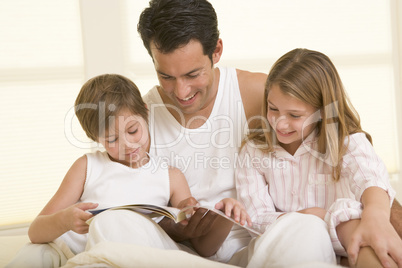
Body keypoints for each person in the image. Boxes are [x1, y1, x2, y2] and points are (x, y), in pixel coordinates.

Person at [136, 0, 338, 267]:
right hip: (185, 255)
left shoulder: (258, 94)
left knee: (307, 227)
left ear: (217, 50)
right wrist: (178, 230)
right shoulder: (139, 119)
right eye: (166, 77)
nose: (181, 92)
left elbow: (351, 155)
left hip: (261, 245)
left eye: (192, 74)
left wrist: (379, 220)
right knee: (114, 224)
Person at [7, 74, 250, 267]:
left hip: (130, 251)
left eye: (133, 131)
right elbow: (36, 231)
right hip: (78, 248)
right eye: (112, 139)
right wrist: (64, 219)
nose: (128, 145)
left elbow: (192, 233)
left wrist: (197, 213)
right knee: (32, 255)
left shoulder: (170, 176)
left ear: (145, 111)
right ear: (96, 138)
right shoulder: (87, 166)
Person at [236, 48, 402, 267]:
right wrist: (309, 216)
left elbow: (371, 178)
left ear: (322, 111)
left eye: (294, 115)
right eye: (273, 108)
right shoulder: (253, 151)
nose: (279, 123)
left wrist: (375, 215)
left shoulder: (346, 142)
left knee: (351, 218)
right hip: (289, 241)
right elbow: (255, 220)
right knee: (341, 219)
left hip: (347, 238)